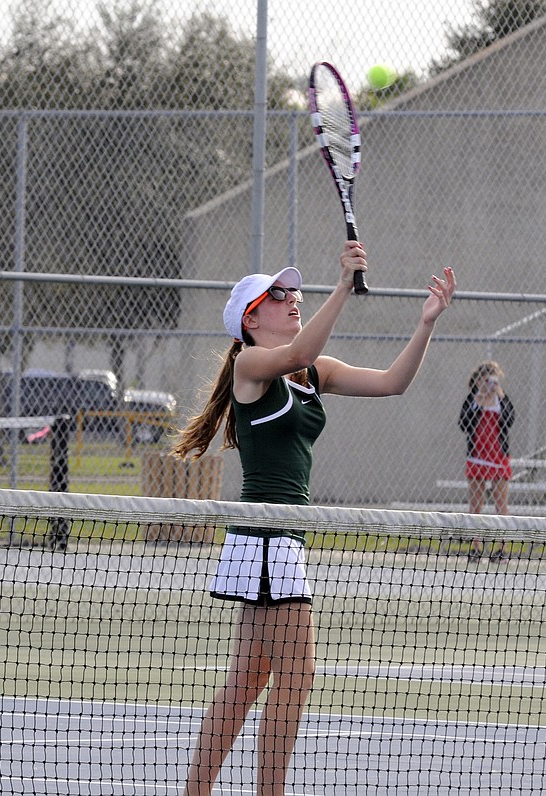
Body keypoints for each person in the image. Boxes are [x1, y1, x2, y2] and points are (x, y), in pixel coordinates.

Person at [172, 241, 456, 796]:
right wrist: (344, 286)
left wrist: (426, 323)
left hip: (278, 541)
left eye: (294, 292)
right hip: (266, 536)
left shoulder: (311, 371)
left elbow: (391, 382)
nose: (292, 299)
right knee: (296, 677)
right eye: (278, 295)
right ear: (251, 319)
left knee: (249, 679)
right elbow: (299, 350)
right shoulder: (251, 366)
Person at [458, 360, 515, 562]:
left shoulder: (501, 400)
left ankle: (502, 549)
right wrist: (479, 401)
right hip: (478, 457)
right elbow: (463, 424)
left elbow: (510, 420)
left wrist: (499, 394)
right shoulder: (473, 400)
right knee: (476, 505)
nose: (489, 383)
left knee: (501, 505)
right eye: (485, 379)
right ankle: (475, 547)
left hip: (498, 457)